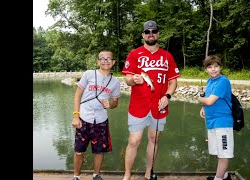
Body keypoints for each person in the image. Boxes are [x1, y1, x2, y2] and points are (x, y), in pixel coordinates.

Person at [121, 20, 180, 180]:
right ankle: (127, 175)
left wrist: (167, 96)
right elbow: (127, 79)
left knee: (153, 139)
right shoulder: (134, 54)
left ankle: (148, 172)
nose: (151, 34)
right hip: (138, 105)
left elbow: (173, 81)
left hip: (159, 106)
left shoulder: (167, 56)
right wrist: (134, 79)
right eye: (147, 32)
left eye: (154, 31)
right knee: (134, 140)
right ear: (143, 35)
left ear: (158, 34)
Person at [71, 50, 121, 180]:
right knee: (78, 150)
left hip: (101, 120)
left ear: (113, 62)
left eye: (109, 58)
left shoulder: (115, 82)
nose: (105, 61)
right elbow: (77, 95)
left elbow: (115, 103)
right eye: (102, 59)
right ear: (98, 61)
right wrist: (76, 116)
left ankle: (96, 174)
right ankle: (76, 176)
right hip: (84, 118)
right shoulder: (89, 74)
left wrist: (111, 104)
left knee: (99, 151)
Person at [198, 55, 233, 180]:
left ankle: (218, 179)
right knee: (219, 152)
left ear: (220, 67)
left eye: (216, 66)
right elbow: (208, 99)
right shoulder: (209, 81)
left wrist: (200, 100)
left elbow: (209, 101)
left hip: (222, 122)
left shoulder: (223, 81)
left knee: (224, 153)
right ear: (206, 70)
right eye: (210, 67)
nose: (213, 69)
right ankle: (224, 175)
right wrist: (203, 108)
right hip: (211, 122)